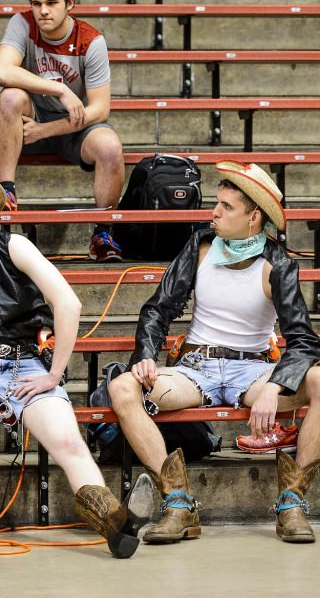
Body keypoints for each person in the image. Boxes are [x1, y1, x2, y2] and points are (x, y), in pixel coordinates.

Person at [0, 166, 154, 558]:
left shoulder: (13, 246)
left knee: (67, 441)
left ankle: (116, 525)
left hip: (28, 366)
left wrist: (54, 374)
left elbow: (68, 302)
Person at [109, 161, 320, 544]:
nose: (214, 212)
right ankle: (178, 504)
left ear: (254, 217)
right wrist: (145, 353)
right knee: (124, 388)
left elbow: (303, 341)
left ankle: (291, 503)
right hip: (196, 367)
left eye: (226, 207)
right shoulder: (201, 246)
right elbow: (159, 308)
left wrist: (275, 386)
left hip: (253, 371)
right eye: (216, 203)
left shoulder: (278, 264)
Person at [0, 0, 124, 262]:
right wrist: (60, 90)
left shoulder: (91, 40)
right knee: (10, 97)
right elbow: (1, 72)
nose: (43, 11)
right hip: (32, 117)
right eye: (36, 3)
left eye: (51, 3)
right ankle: (7, 195)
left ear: (70, 4)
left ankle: (103, 234)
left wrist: (46, 130)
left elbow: (101, 109)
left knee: (110, 147)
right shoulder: (22, 23)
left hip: (72, 128)